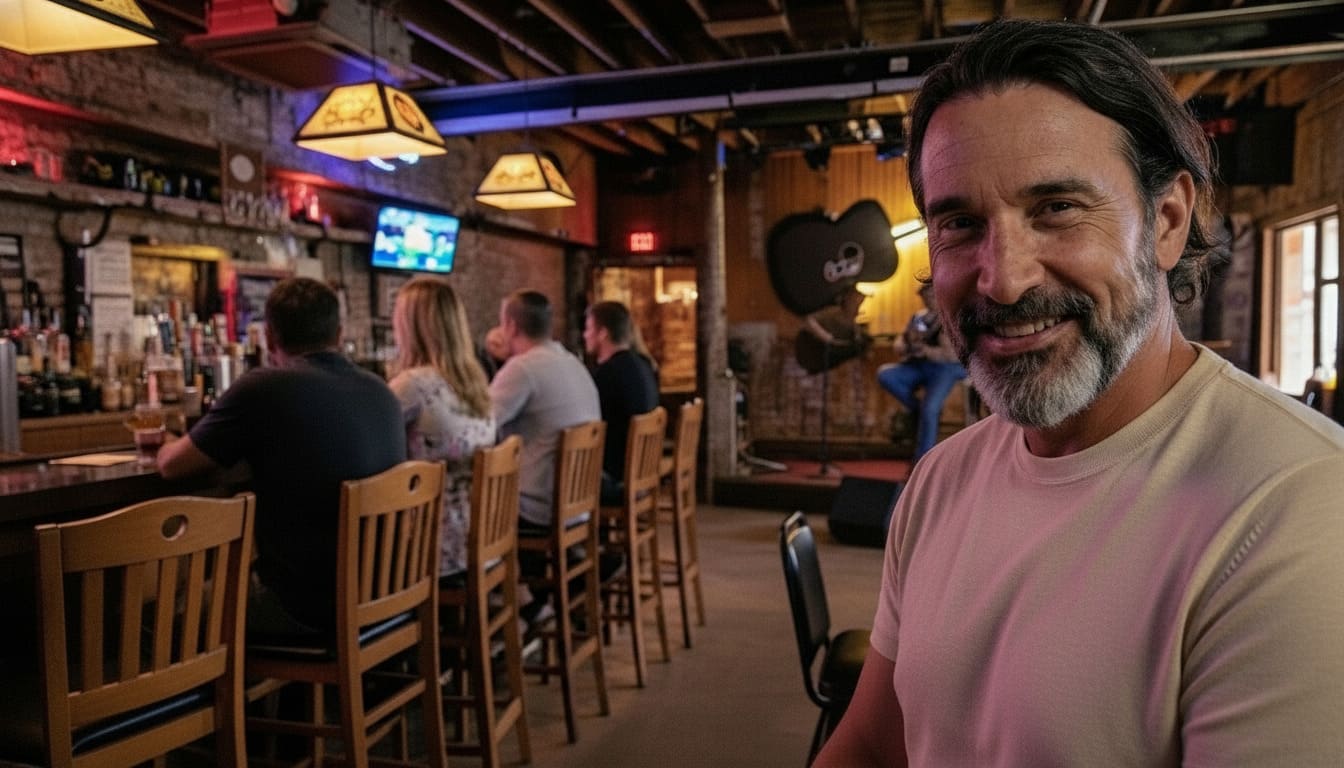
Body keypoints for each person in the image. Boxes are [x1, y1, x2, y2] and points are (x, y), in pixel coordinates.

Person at [816, 18, 1344, 767]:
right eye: (961, 223)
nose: (1003, 278)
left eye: (1056, 209)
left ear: (1166, 222)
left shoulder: (1301, 513)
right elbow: (873, 745)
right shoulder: (942, 481)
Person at [158, 277, 406, 635]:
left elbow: (171, 466)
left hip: (304, 607)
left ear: (270, 338)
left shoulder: (262, 387)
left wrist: (162, 439)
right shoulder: (381, 391)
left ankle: (234, 691)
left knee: (160, 617)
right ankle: (282, 689)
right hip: (386, 592)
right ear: (338, 335)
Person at [490, 290, 601, 615]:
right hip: (576, 504)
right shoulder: (572, 362)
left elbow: (479, 424)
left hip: (539, 508)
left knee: (468, 516)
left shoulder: (521, 369)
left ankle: (512, 610)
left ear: (509, 325)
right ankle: (532, 597)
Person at [387, 276, 496, 581]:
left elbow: (369, 444)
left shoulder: (412, 385)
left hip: (434, 549)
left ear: (409, 328)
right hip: (484, 536)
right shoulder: (476, 381)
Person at [875, 282, 967, 462]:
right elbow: (901, 341)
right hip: (918, 365)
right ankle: (919, 409)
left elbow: (953, 355)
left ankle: (923, 460)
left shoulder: (951, 317)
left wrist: (926, 350)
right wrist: (905, 346)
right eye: (925, 297)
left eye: (931, 296)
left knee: (930, 408)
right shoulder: (918, 317)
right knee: (885, 375)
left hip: (945, 368)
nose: (928, 300)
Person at [582, 300, 659, 504]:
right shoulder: (643, 364)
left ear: (603, 333)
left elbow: (590, 424)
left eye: (589, 328)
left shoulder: (609, 374)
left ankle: (585, 535)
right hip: (640, 474)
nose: (584, 335)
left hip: (617, 479)